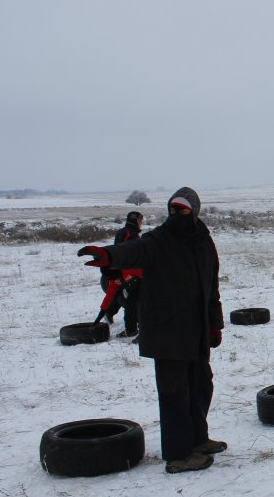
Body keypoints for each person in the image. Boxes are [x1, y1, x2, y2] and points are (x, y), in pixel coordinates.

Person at [79, 187, 226, 474]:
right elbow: (133, 250)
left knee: (200, 385)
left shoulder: (203, 241)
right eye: (173, 208)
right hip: (167, 329)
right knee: (175, 393)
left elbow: (211, 287)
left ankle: (197, 440)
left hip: (195, 329)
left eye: (183, 209)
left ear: (194, 211)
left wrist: (214, 323)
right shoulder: (159, 240)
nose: (177, 214)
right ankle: (179, 454)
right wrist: (107, 256)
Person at [112, 211, 143, 339]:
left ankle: (132, 329)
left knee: (131, 300)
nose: (142, 222)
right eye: (141, 220)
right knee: (135, 301)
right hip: (133, 273)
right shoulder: (131, 234)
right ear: (135, 220)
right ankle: (135, 330)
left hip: (126, 273)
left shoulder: (123, 232)